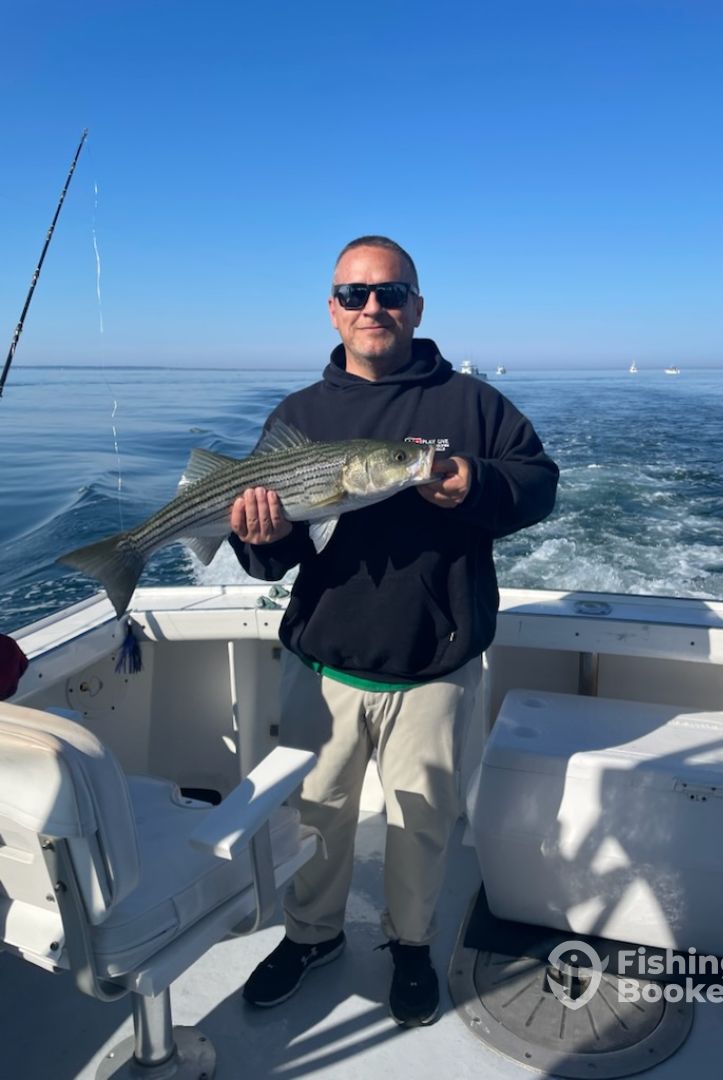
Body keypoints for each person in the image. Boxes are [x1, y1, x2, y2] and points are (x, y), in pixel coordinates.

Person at [228, 235, 559, 1026]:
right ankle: (310, 936)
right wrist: (259, 535)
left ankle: (412, 944)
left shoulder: (471, 404)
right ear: (333, 310)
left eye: (390, 292)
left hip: (434, 666)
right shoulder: (299, 415)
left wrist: (476, 481)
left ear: (416, 306)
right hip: (322, 666)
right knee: (315, 817)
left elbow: (539, 484)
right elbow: (267, 559)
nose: (372, 307)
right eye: (355, 294)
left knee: (422, 825)